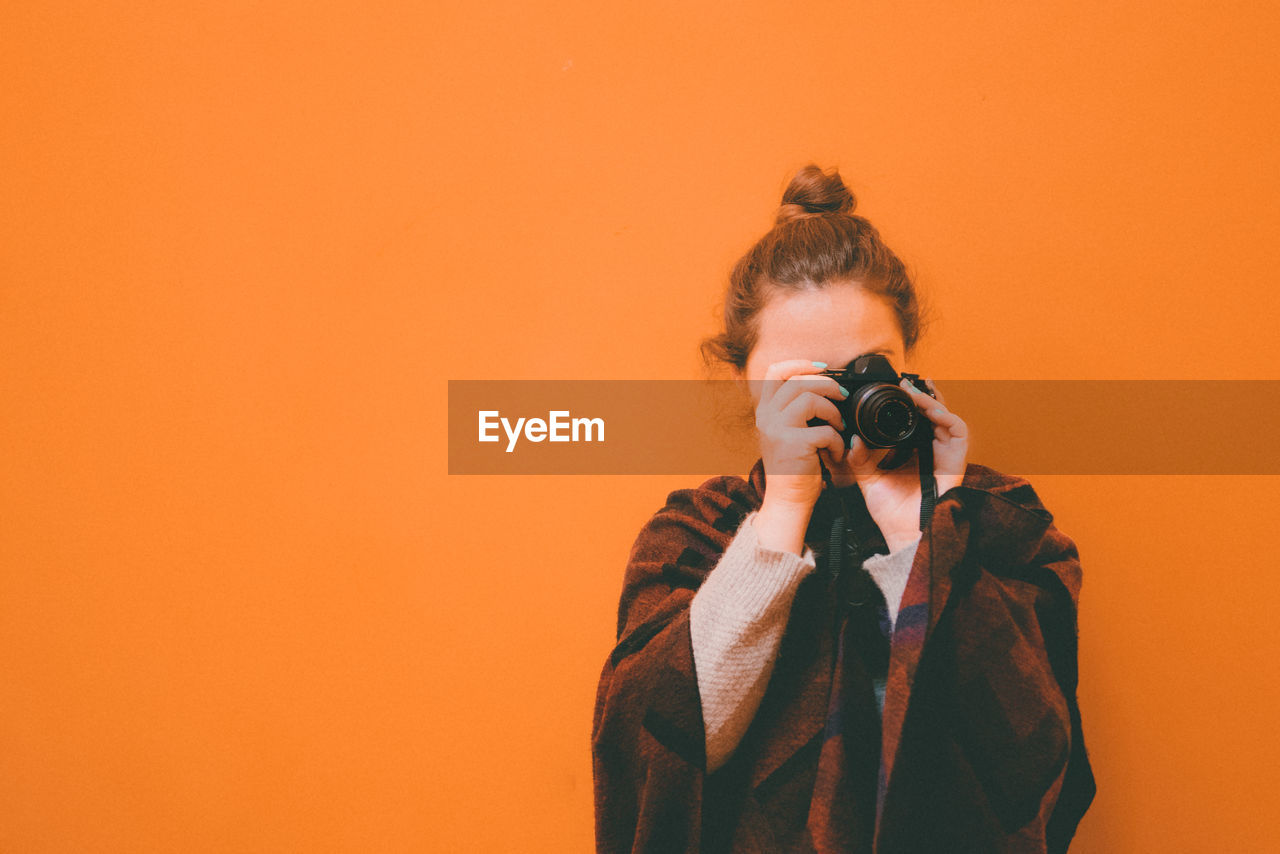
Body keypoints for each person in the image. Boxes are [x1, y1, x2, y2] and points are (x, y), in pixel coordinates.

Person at [591, 164, 1096, 853]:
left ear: (909, 361)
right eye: (805, 380)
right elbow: (663, 751)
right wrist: (785, 510)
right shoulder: (695, 532)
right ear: (746, 379)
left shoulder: (1000, 522)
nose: (839, 402)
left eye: (867, 369)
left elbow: (1028, 758)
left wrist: (919, 528)